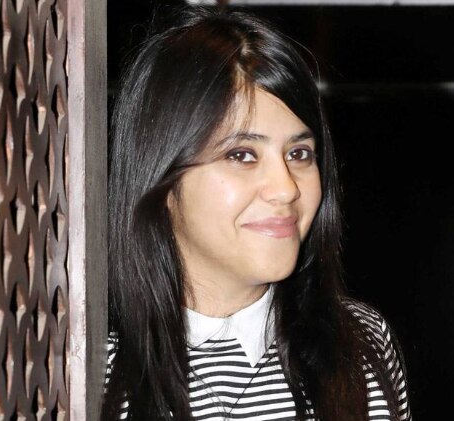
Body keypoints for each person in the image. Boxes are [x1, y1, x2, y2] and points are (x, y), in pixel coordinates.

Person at [103, 7, 410, 421]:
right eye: (242, 155)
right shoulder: (91, 371)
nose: (286, 188)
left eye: (299, 153)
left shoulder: (360, 343)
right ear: (162, 179)